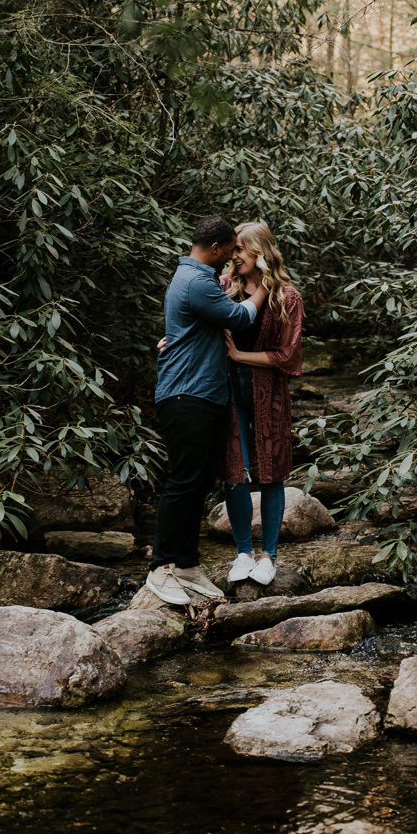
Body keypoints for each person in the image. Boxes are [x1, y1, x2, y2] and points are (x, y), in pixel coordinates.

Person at [146, 216, 268, 606]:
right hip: (186, 395)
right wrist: (264, 285)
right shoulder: (196, 281)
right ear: (215, 249)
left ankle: (186, 563)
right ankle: (161, 567)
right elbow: (241, 316)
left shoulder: (197, 280)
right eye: (232, 250)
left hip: (204, 395)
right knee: (183, 482)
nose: (234, 256)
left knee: (198, 482)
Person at [219, 222, 303, 586]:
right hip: (227, 392)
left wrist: (238, 355)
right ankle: (242, 553)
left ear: (260, 252)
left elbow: (288, 355)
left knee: (272, 473)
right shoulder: (224, 288)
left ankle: (269, 555)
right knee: (235, 470)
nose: (232, 255)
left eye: (239, 248)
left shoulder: (287, 297)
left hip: (269, 393)